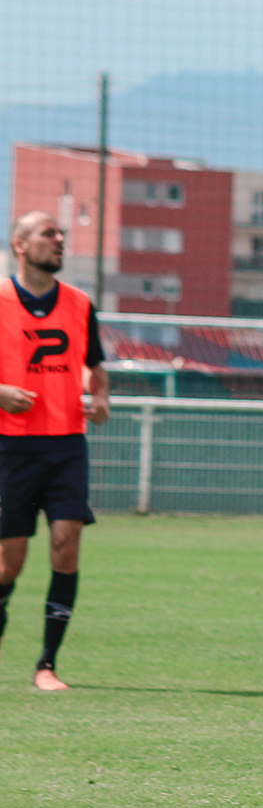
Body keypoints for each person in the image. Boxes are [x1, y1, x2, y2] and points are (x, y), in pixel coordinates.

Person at [0, 212, 110, 691]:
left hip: (66, 445)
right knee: (9, 562)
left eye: (61, 234)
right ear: (20, 245)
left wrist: (99, 396)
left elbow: (94, 367)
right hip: (11, 448)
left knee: (66, 548)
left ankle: (47, 665)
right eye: (49, 234)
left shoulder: (80, 304)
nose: (60, 240)